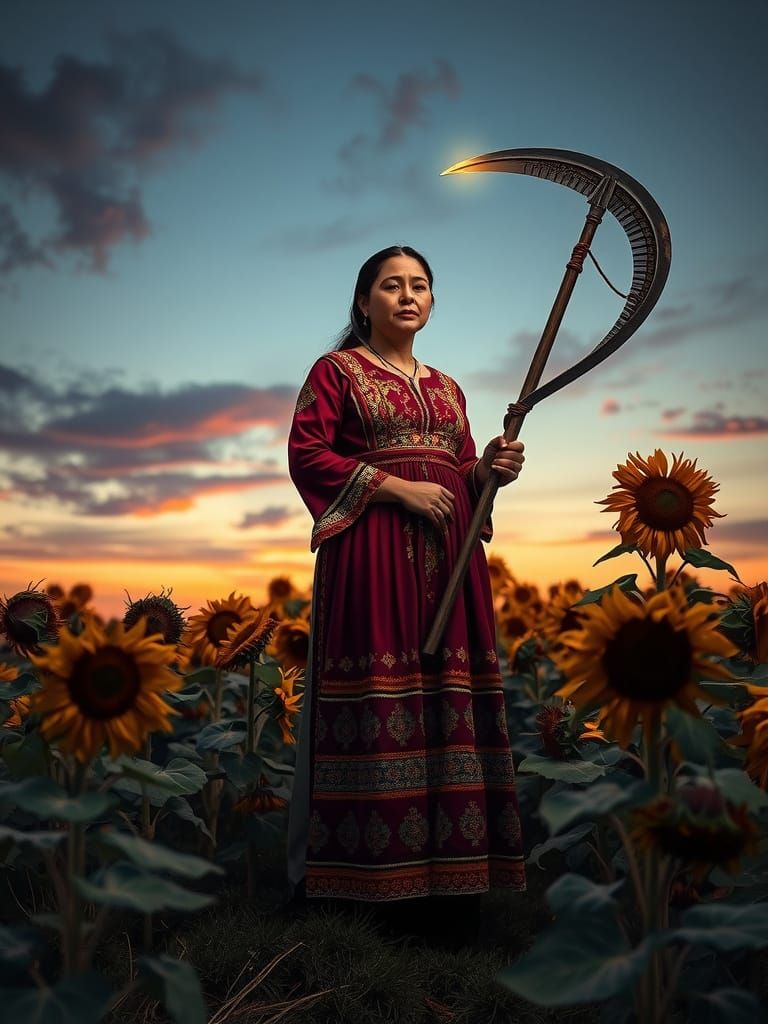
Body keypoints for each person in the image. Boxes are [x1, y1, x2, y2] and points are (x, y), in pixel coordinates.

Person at [286, 244, 526, 931]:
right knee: (379, 693)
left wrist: (489, 471)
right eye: (391, 286)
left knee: (447, 695)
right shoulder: (335, 372)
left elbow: (464, 471)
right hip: (372, 555)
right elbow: (309, 453)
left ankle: (454, 888)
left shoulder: (448, 388)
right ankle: (364, 890)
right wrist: (395, 489)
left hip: (451, 563)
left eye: (419, 285)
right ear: (364, 302)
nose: (407, 295)